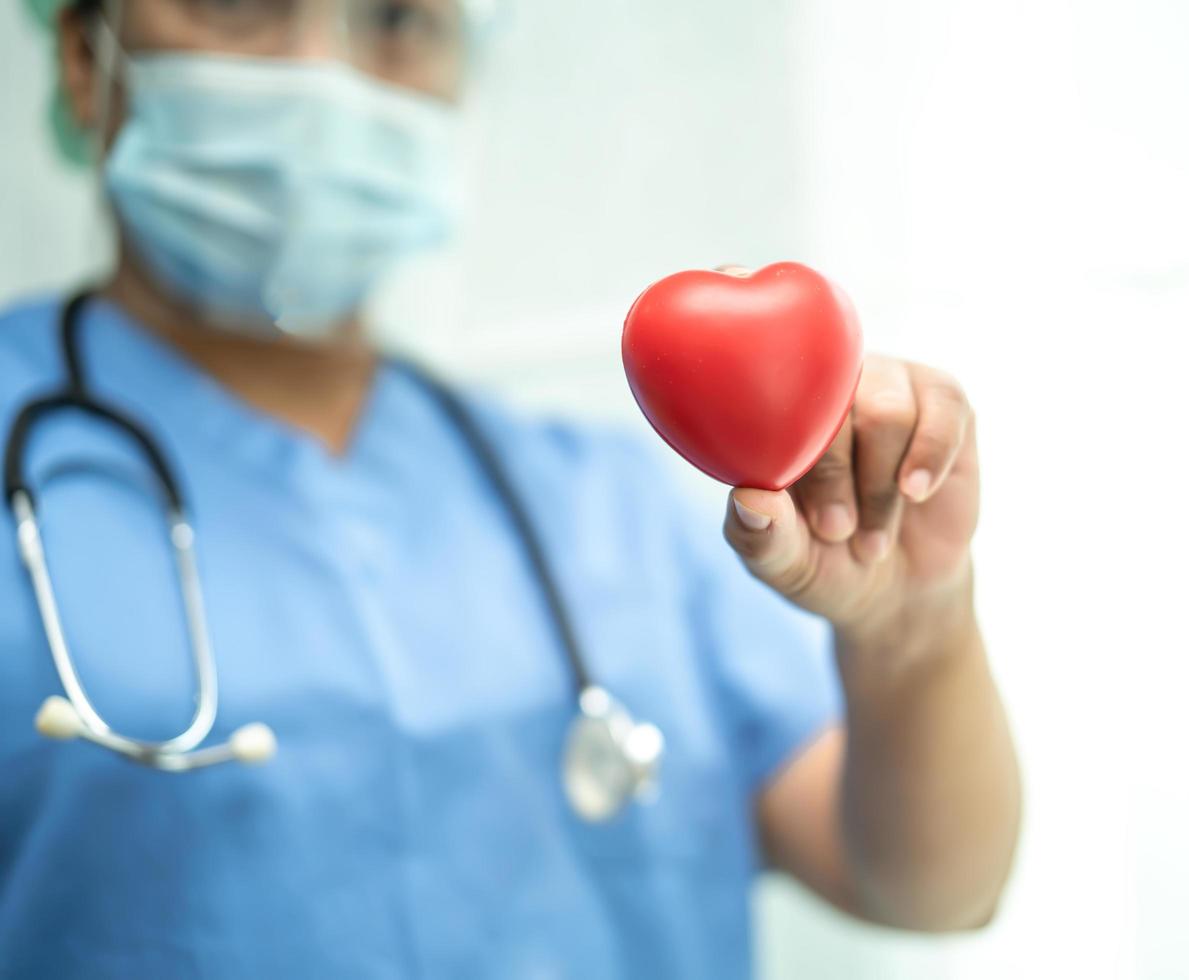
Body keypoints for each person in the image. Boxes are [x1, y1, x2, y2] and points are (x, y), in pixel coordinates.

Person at [0, 0, 1021, 976]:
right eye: (239, 2)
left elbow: (930, 888)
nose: (323, 66)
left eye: (399, 17)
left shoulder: (602, 505)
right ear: (87, 60)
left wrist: (912, 627)